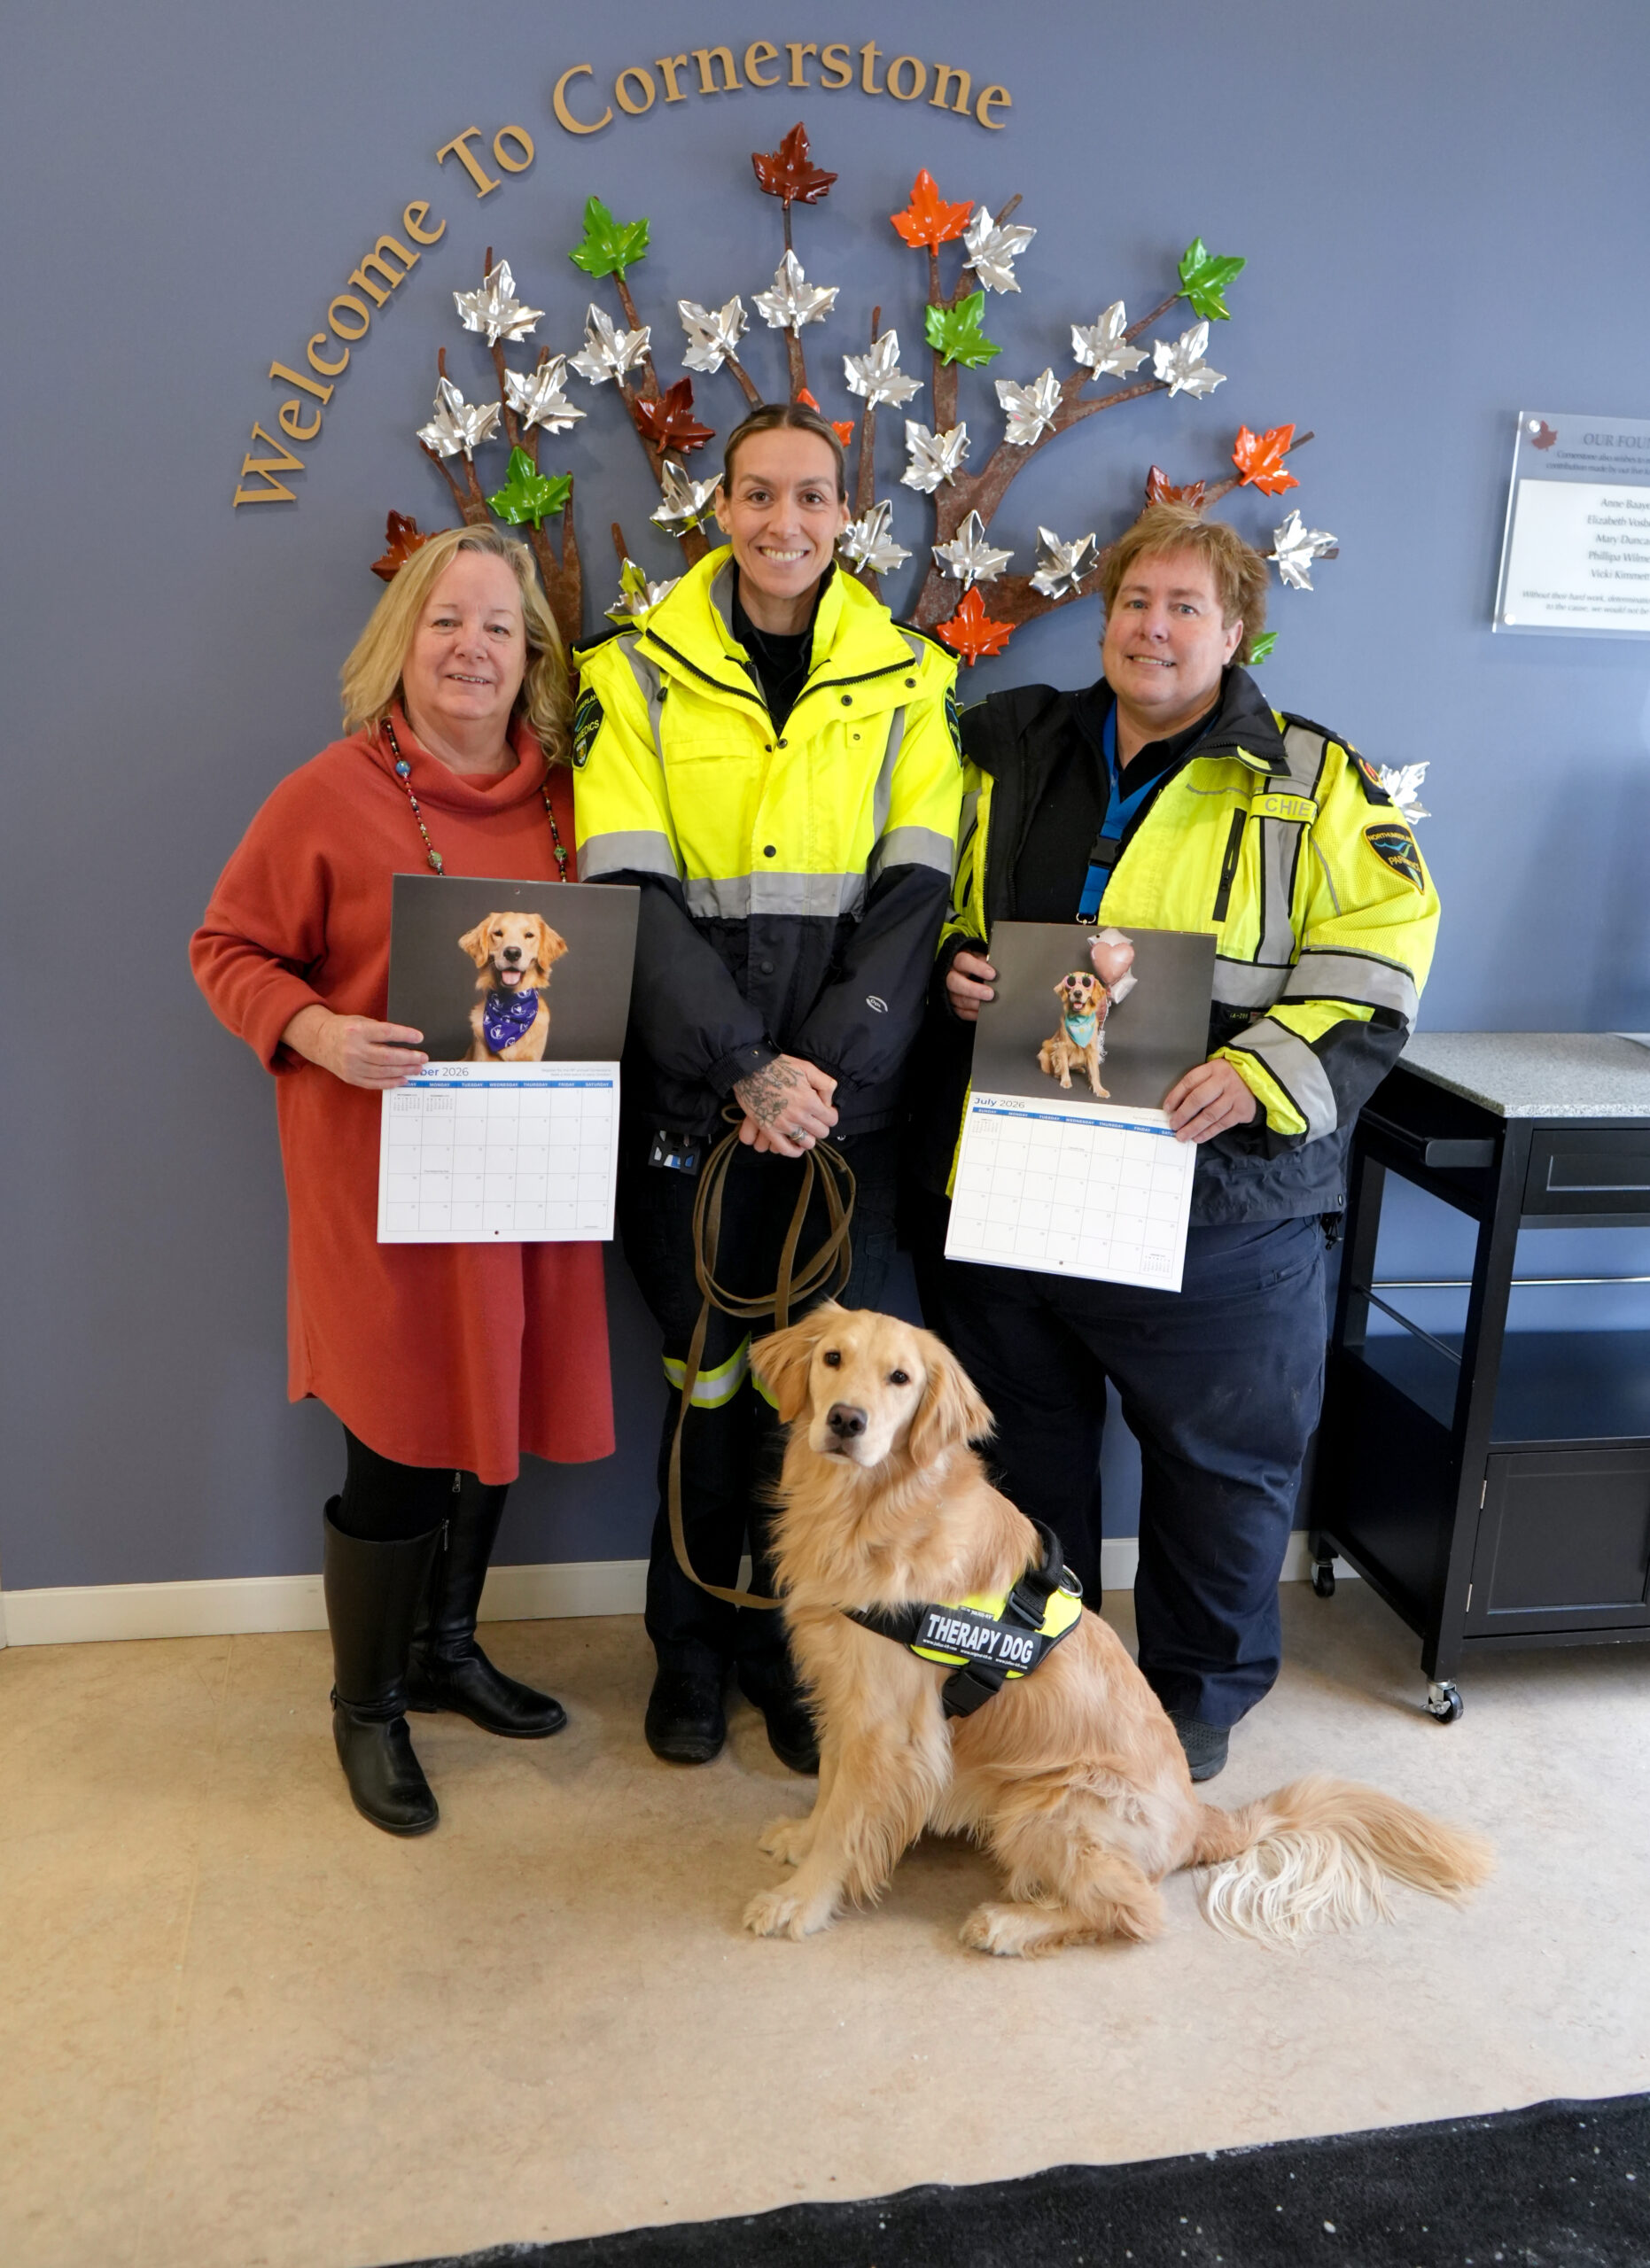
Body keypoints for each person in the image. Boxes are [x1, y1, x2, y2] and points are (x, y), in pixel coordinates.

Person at [906, 501, 1439, 1782]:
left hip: (1219, 1202)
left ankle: (1193, 1707)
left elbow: (1379, 961)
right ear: (1105, 617)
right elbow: (931, 889)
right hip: (1021, 1186)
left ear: (1238, 629)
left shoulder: (1312, 777)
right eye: (1136, 602)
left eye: (1186, 607)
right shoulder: (1010, 742)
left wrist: (1261, 1072)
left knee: (1218, 1474)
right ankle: (1032, 1680)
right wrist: (954, 968)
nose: (1155, 627)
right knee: (1023, 1461)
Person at [191, 525, 613, 1836]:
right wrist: (311, 1028)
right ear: (399, 645)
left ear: (531, 655)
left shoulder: (575, 801)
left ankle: (443, 1649)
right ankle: (363, 1702)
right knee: (396, 1435)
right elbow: (227, 947)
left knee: (494, 1415)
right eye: (446, 623)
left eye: (499, 626)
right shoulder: (327, 792)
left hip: (529, 1167)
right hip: (375, 1176)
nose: (472, 648)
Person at [572, 402, 962, 1769]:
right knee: (705, 1393)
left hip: (839, 1126)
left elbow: (915, 902)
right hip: (694, 1110)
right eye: (755, 495)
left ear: (845, 516)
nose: (782, 522)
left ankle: (792, 1655)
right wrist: (743, 1067)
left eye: (810, 497)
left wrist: (815, 1079)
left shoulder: (912, 679)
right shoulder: (630, 674)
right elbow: (626, 890)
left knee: (828, 1415)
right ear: (717, 506)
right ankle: (691, 1653)